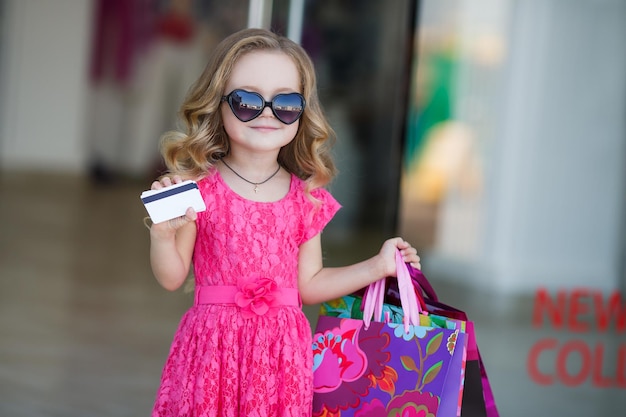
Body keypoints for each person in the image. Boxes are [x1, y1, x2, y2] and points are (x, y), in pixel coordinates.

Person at [147, 28, 421, 417]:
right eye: (246, 101)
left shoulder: (305, 198)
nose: (267, 113)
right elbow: (172, 277)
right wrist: (162, 235)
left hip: (281, 359)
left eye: (286, 103)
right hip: (213, 354)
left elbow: (308, 285)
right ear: (218, 104)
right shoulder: (199, 190)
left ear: (301, 113)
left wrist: (378, 266)